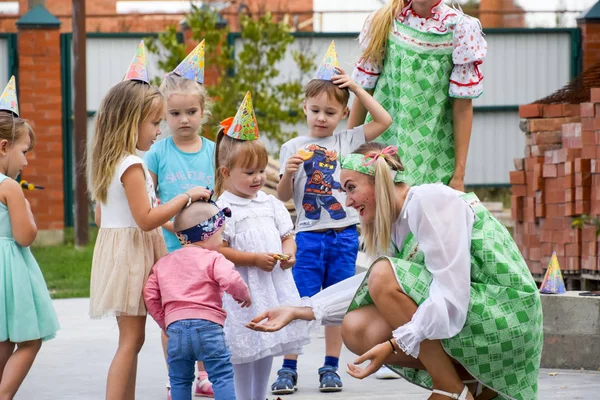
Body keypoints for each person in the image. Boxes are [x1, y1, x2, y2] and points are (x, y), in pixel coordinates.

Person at [248, 143, 543, 400]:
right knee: (356, 327)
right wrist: (300, 309)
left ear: (378, 180)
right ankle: (467, 384)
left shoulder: (430, 201)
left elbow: (452, 296)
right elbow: (369, 286)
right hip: (477, 315)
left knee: (382, 275)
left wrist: (395, 343)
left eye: (351, 187)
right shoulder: (399, 225)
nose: (347, 201)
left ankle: (449, 388)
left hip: (505, 314)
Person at [88, 42, 211, 399]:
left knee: (134, 338)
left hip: (118, 252)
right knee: (131, 341)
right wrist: (186, 197)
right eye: (155, 122)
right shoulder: (133, 165)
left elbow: (101, 217)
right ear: (131, 122)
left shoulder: (110, 163)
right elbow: (145, 219)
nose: (158, 131)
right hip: (133, 255)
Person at [273, 42, 392, 395]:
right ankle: (289, 367)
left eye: (329, 111)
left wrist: (356, 87)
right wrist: (288, 174)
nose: (321, 118)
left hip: (342, 234)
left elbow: (384, 121)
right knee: (301, 303)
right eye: (315, 110)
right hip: (308, 235)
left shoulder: (348, 141)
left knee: (336, 304)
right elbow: (281, 198)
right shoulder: (292, 147)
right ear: (304, 109)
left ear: (342, 114)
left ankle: (330, 367)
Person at [214, 92, 311, 400]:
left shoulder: (269, 203)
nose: (258, 178)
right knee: (244, 349)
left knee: (267, 343)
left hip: (271, 288)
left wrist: (290, 252)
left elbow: (287, 235)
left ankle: (260, 396)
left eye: (261, 170)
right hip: (243, 291)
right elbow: (218, 249)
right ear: (226, 172)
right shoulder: (223, 208)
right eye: (250, 172)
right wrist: (253, 259)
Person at [349, 0, 487, 192]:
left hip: (433, 156)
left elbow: (462, 108)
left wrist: (459, 175)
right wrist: (348, 152)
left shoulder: (460, 30)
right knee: (380, 217)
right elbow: (364, 92)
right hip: (382, 150)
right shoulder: (384, 22)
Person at [144, 41, 217, 399]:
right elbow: (148, 198)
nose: (183, 119)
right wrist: (171, 227)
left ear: (203, 111)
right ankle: (178, 377)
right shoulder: (158, 152)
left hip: (208, 250)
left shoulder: (213, 152)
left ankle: (205, 374)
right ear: (164, 116)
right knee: (174, 317)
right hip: (171, 247)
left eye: (191, 111)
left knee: (205, 313)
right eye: (175, 114)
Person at [144, 200, 252, 400]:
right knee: (221, 376)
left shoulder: (164, 262)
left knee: (179, 379)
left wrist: (164, 321)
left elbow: (150, 294)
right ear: (207, 234)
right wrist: (243, 295)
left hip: (175, 330)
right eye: (220, 235)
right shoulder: (214, 258)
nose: (221, 241)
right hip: (208, 328)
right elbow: (230, 279)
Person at [0, 77, 60, 399]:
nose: (26, 161)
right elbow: (24, 236)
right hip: (7, 276)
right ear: (4, 147)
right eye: (24, 152)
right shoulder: (8, 187)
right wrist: (28, 210)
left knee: (1, 343)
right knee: (29, 340)